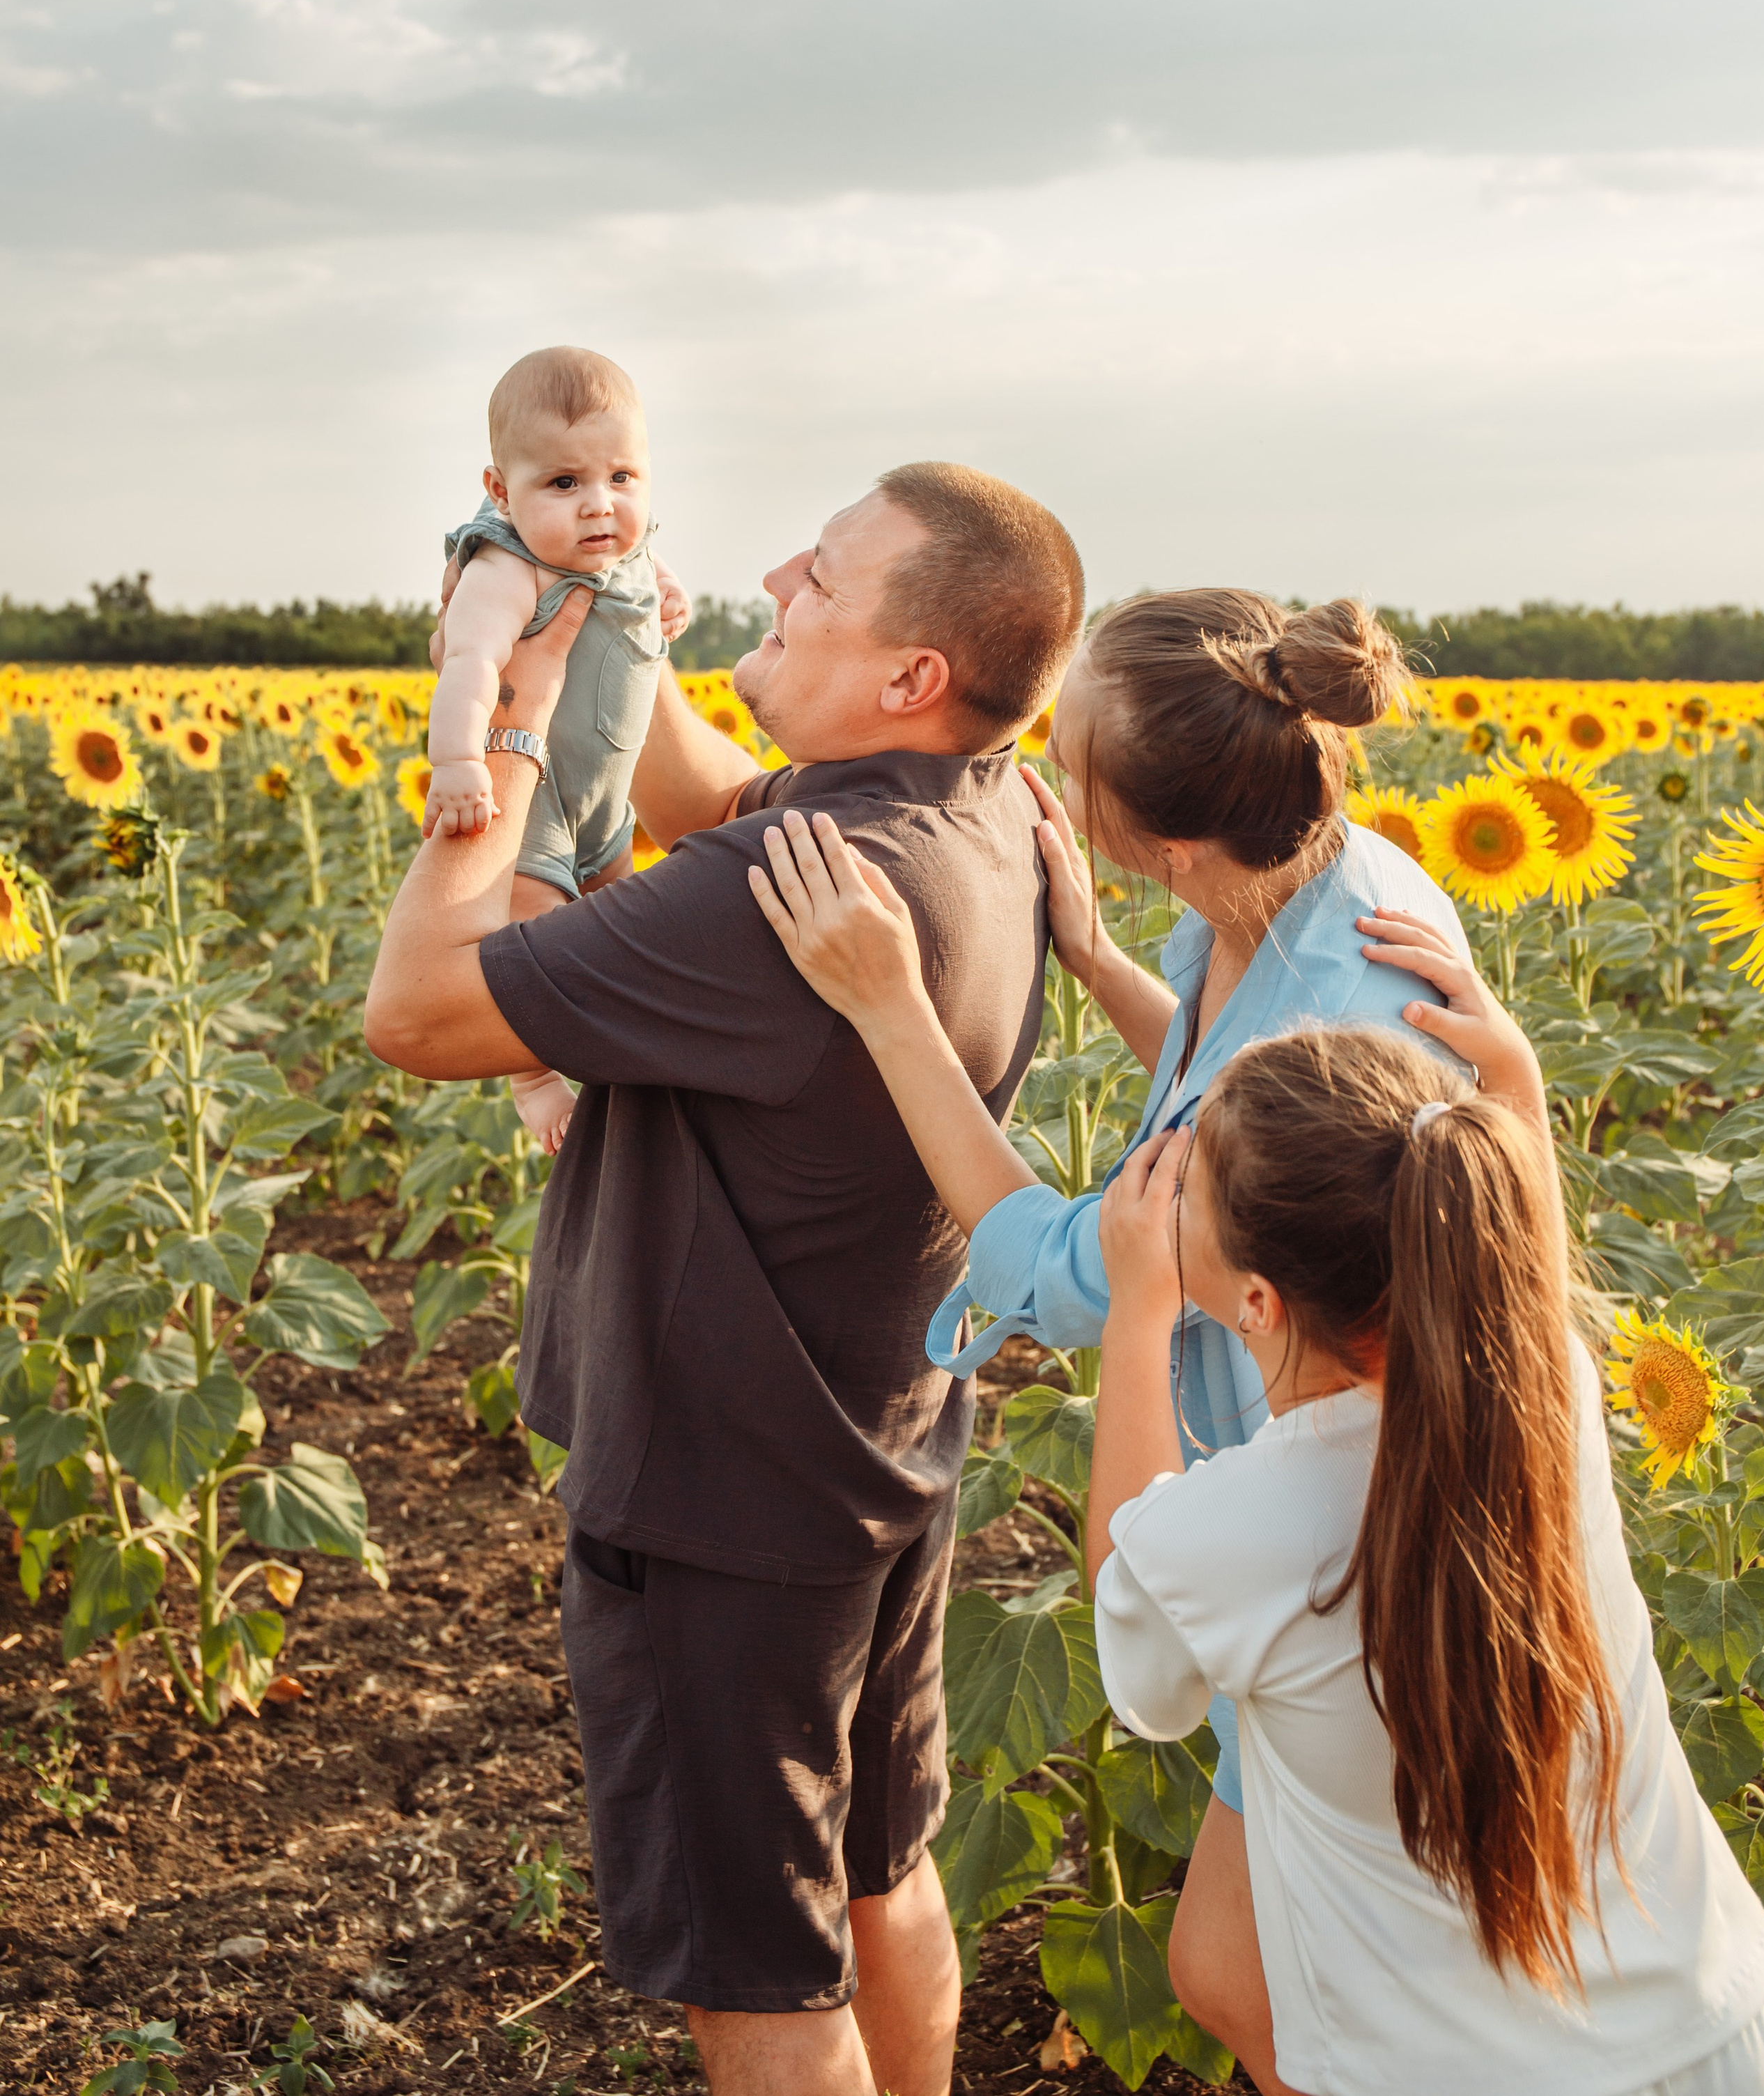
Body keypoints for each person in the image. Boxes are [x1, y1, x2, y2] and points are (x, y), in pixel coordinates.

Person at [365, 461, 1084, 2096]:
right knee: (879, 1869)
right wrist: (607, 623)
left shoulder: (773, 909)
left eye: (821, 578)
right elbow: (700, 787)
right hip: (874, 1445)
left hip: (718, 1493)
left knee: (751, 1957)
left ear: (908, 676)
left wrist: (507, 726)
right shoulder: (957, 809)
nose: (776, 573)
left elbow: (414, 1010)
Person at [747, 584, 1472, 2035]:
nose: (1036, 764)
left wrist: (889, 1008)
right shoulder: (1313, 876)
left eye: (1065, 758)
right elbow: (1235, 1095)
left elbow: (1076, 1274)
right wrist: (1092, 957)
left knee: (1309, 1982)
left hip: (1345, 1550)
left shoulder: (1345, 994)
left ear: (1173, 839)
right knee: (1227, 1963)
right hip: (1329, 1514)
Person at [1083, 937, 1764, 2095]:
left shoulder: (1229, 1539)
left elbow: (1141, 1667)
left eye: (1190, 1182)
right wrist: (1511, 1078)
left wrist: (1134, 1314)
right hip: (1722, 2031)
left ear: (1253, 1301)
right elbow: (1519, 1269)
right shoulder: (1547, 1389)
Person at [427, 346, 691, 1150]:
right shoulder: (508, 568)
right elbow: (466, 661)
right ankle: (533, 1076)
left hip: (608, 806)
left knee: (621, 926)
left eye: (622, 479)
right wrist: (458, 762)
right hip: (531, 800)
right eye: (564, 483)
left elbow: (640, 582)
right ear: (502, 493)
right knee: (537, 942)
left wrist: (667, 596)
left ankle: (622, 1065)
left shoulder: (621, 550)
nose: (599, 506)